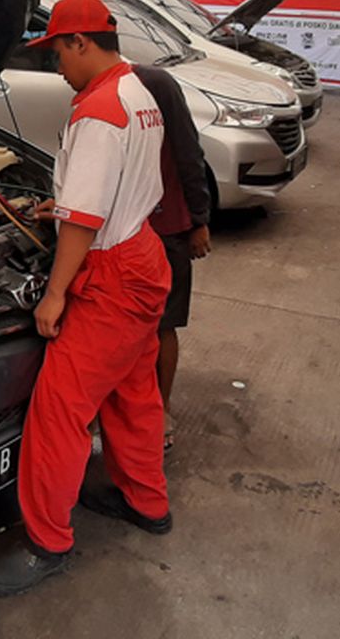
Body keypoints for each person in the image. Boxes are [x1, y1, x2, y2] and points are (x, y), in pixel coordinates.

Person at [0, 0, 172, 597]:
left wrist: (55, 293)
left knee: (59, 410)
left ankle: (46, 543)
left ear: (82, 42)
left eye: (58, 50)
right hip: (142, 254)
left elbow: (87, 219)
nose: (55, 65)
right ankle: (147, 503)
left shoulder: (96, 112)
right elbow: (107, 191)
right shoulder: (138, 92)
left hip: (110, 275)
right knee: (133, 391)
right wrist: (59, 207)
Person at [133, 63, 212, 452]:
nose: (61, 70)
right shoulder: (94, 94)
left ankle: (160, 411)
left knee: (163, 324)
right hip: (126, 234)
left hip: (168, 229)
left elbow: (188, 150)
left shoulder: (153, 83)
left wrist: (198, 219)